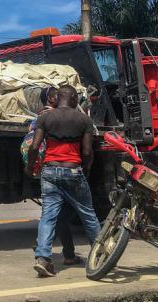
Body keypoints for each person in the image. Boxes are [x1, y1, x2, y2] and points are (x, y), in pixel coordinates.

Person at [26, 85, 101, 277]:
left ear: (57, 98)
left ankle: (43, 258)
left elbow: (34, 147)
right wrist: (88, 169)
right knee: (88, 214)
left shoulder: (45, 118)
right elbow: (86, 152)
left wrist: (30, 168)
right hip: (73, 170)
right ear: (74, 99)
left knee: (48, 216)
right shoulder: (84, 120)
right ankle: (100, 254)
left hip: (50, 171)